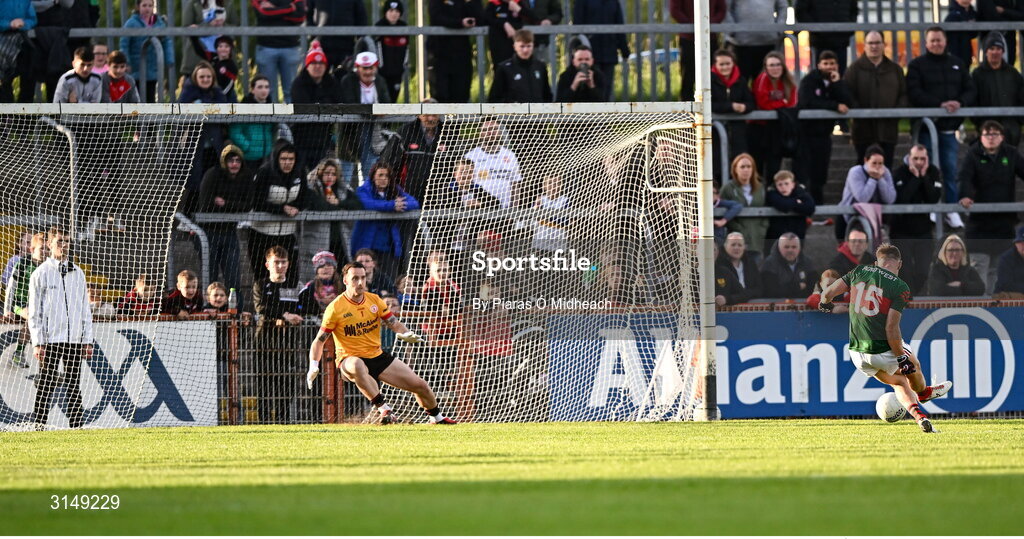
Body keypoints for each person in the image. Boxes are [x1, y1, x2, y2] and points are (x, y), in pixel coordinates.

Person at [819, 243, 953, 433]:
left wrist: (825, 305)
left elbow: (828, 293)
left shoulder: (860, 271)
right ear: (899, 264)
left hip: (857, 353)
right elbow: (891, 328)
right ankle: (923, 393)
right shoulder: (900, 287)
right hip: (880, 349)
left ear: (876, 262)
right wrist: (901, 358)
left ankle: (920, 418)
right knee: (913, 363)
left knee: (899, 381)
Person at [306, 261, 458, 424]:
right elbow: (319, 341)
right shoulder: (335, 308)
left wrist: (406, 333)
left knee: (420, 386)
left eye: (363, 278)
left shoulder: (374, 300)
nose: (360, 283)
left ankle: (437, 419)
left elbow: (393, 323)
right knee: (357, 365)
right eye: (355, 278)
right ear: (345, 281)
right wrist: (313, 366)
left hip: (376, 356)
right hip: (348, 360)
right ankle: (384, 408)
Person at [28, 228, 93, 430]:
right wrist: (38, 341)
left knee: (74, 386)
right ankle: (39, 425)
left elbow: (85, 309)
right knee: (45, 385)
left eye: (66, 241)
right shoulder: (41, 273)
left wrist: (87, 339)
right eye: (59, 241)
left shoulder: (78, 272)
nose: (63, 245)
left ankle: (77, 427)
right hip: (50, 340)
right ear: (49, 244)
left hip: (74, 339)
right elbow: (34, 311)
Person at [907, 26, 977, 205]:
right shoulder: (916, 65)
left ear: (945, 41)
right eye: (932, 40)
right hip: (925, 128)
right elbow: (914, 93)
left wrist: (960, 102)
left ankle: (952, 208)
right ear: (926, 43)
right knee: (925, 169)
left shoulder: (958, 63)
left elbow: (970, 89)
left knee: (950, 170)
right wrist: (939, 104)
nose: (936, 43)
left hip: (949, 128)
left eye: (939, 40)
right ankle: (929, 208)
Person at [957, 120, 1024, 260]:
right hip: (979, 223)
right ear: (981, 137)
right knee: (978, 268)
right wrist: (965, 195)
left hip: (1004, 222)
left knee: (1000, 270)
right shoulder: (972, 154)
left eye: (995, 134)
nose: (991, 138)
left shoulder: (1011, 154)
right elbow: (965, 178)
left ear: (1002, 137)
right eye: (987, 134)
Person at [252, 245, 303, 422]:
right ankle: (263, 423)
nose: (280, 266)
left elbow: (304, 306)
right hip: (264, 343)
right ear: (267, 264)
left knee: (286, 386)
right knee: (264, 386)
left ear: (288, 264)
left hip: (288, 344)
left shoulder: (296, 285)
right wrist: (284, 315)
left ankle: (284, 421)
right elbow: (261, 308)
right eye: (276, 262)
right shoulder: (260, 284)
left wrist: (293, 316)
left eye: (283, 262)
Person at [843, 31, 906, 168]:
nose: (874, 46)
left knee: (886, 168)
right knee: (863, 169)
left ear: (884, 45)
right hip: (863, 131)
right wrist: (859, 114)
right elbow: (847, 94)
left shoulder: (895, 70)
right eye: (870, 43)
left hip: (888, 130)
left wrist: (896, 113)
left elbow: (904, 94)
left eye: (877, 43)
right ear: (864, 46)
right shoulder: (854, 70)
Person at [797, 50, 852, 204]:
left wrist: (837, 84)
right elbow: (808, 102)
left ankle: (819, 204)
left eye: (832, 63)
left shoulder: (837, 81)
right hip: (806, 134)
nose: (829, 67)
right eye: (826, 64)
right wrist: (834, 105)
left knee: (821, 172)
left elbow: (847, 101)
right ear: (819, 65)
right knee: (807, 172)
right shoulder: (809, 81)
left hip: (824, 135)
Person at [250, 140, 307, 287]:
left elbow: (305, 197)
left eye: (291, 159)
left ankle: (290, 307)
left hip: (288, 234)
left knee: (291, 276)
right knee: (263, 277)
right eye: (283, 159)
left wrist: (297, 208)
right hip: (262, 234)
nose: (287, 163)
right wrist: (282, 209)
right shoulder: (265, 172)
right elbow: (256, 202)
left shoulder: (300, 172)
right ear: (276, 158)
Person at [199, 144, 253, 295]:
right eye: (231, 161)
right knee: (210, 277)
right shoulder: (212, 174)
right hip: (208, 232)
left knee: (234, 279)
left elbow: (248, 205)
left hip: (230, 231)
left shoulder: (246, 176)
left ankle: (236, 312)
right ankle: (208, 310)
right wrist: (235, 207)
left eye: (237, 160)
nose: (234, 164)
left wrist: (225, 203)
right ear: (224, 162)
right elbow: (206, 205)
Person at [352, 162, 420, 277]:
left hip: (388, 247)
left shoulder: (395, 189)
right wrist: (391, 206)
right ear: (373, 176)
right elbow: (368, 204)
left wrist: (400, 205)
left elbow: (414, 202)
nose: (384, 179)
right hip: (367, 246)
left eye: (387, 176)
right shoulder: (363, 190)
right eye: (380, 175)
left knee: (389, 279)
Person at [891, 144, 942, 295]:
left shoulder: (932, 171)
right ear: (909, 158)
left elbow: (933, 198)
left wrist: (924, 177)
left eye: (922, 158)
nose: (919, 162)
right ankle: (907, 300)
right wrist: (914, 177)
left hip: (923, 230)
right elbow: (902, 199)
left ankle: (911, 297)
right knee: (905, 271)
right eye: (915, 158)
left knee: (923, 271)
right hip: (901, 230)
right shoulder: (900, 172)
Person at [301, 157, 361, 275]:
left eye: (333, 174)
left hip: (340, 242)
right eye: (327, 173)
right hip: (318, 241)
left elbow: (357, 204)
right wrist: (337, 207)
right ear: (320, 173)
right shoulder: (312, 188)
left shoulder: (342, 188)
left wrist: (339, 203)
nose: (330, 177)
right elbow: (320, 206)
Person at [339, 51, 393, 182]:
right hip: (350, 132)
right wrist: (373, 111)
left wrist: (379, 111)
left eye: (371, 68)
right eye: (365, 68)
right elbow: (349, 104)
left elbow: (387, 102)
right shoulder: (348, 81)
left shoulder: (380, 81)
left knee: (369, 172)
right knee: (345, 173)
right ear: (357, 68)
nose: (368, 72)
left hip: (374, 131)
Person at [290, 42, 343, 172]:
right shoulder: (298, 83)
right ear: (307, 66)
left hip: (323, 140)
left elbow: (338, 103)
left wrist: (319, 105)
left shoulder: (331, 82)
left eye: (321, 64)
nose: (317, 67)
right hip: (301, 140)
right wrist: (324, 103)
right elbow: (305, 107)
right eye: (313, 63)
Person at [750, 51, 797, 181]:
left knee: (774, 167)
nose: (775, 68)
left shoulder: (788, 81)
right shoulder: (762, 79)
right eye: (771, 65)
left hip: (778, 129)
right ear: (766, 67)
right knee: (757, 166)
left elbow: (791, 103)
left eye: (778, 65)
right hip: (759, 129)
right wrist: (782, 103)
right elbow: (763, 103)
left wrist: (777, 104)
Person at [971, 33, 1024, 147]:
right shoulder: (977, 74)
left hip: (1011, 130)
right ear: (986, 51)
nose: (995, 52)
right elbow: (973, 99)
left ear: (1003, 51)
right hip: (987, 128)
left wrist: (1018, 121)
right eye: (991, 48)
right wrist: (980, 123)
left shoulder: (1013, 73)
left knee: (1010, 162)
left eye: (998, 49)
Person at [709, 49, 755, 182]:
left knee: (738, 161)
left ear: (733, 63)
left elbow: (751, 102)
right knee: (715, 163)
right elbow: (707, 104)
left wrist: (744, 107)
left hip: (737, 130)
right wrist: (731, 107)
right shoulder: (708, 81)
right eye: (721, 64)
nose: (725, 67)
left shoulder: (741, 80)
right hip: (714, 130)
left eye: (728, 64)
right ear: (715, 65)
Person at [3, 231, 46, 368]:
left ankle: (47, 363)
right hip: (20, 304)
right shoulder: (22, 264)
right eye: (42, 248)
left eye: (47, 248)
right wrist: (7, 310)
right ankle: (18, 353)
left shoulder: (48, 266)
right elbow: (11, 287)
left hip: (41, 305)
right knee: (33, 315)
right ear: (32, 249)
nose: (45, 252)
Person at [837, 144, 896, 240]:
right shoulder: (855, 172)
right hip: (849, 220)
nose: (877, 167)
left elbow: (890, 198)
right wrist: (873, 179)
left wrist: (880, 179)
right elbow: (862, 197)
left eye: (880, 163)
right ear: (866, 161)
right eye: (874, 163)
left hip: (875, 221)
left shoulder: (885, 172)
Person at [669, 0, 724, 100]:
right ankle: (686, 109)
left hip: (710, 37)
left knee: (713, 74)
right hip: (688, 38)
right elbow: (675, 10)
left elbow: (721, 10)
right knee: (688, 74)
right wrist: (695, 25)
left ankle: (714, 106)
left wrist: (708, 24)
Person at [253, 0, 306, 103]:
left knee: (291, 91)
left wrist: (275, 10)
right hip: (266, 47)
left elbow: (300, 17)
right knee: (267, 92)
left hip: (290, 47)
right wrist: (290, 8)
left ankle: (291, 119)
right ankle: (272, 119)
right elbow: (264, 13)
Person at [426, 0, 480, 103]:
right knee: (440, 95)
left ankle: (459, 119)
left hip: (461, 54)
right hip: (439, 53)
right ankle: (441, 119)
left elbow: (480, 19)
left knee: (461, 94)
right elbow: (436, 17)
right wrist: (460, 23)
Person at [120, 0, 174, 102]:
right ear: (138, 7)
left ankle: (149, 117)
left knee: (150, 96)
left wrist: (169, 59)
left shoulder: (159, 23)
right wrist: (126, 62)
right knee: (135, 97)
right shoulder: (131, 23)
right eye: (144, 5)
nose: (147, 8)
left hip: (152, 68)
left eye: (150, 6)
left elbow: (167, 41)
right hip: (136, 68)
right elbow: (124, 43)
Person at [724, 0, 787, 84]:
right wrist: (732, 30)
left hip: (768, 42)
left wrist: (779, 29)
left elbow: (782, 7)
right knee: (739, 83)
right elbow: (725, 8)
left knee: (766, 83)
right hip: (741, 44)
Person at [464, 118, 523, 208]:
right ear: (480, 133)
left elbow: (515, 184)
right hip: (480, 210)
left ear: (500, 131)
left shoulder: (510, 155)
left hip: (506, 210)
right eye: (485, 130)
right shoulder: (471, 156)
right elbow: (464, 184)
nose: (490, 133)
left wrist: (514, 209)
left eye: (494, 129)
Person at [720, 153, 768, 258]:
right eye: (742, 167)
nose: (746, 170)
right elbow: (721, 210)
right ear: (735, 169)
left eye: (749, 167)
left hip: (757, 240)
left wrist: (762, 229)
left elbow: (765, 209)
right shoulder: (728, 188)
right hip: (736, 241)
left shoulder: (760, 188)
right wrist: (737, 228)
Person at [179, 0, 238, 85]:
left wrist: (222, 26)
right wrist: (208, 25)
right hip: (197, 59)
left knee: (224, 95)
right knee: (193, 95)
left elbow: (237, 28)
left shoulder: (228, 3)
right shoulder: (194, 3)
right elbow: (186, 30)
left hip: (224, 61)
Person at [488, 29, 552, 103]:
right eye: (522, 46)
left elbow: (547, 95)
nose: (525, 50)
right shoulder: (504, 68)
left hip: (537, 113)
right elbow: (494, 98)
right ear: (515, 46)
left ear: (533, 46)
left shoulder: (540, 67)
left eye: (528, 46)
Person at [794, 0, 857, 74]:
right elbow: (800, 11)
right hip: (820, 42)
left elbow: (854, 10)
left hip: (841, 41)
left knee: (840, 76)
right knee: (819, 77)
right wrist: (816, 29)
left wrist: (848, 29)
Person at [229, 75, 277, 171]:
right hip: (248, 157)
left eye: (266, 87)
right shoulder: (243, 107)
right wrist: (247, 147)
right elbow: (235, 131)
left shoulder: (272, 108)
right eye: (260, 87)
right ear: (252, 89)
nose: (264, 90)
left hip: (266, 155)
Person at [307, 0, 366, 72]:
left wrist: (360, 43)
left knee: (344, 78)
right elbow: (307, 15)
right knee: (319, 79)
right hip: (321, 47)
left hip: (346, 47)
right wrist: (314, 37)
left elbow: (361, 18)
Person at [765, 170, 815, 248]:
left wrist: (790, 204)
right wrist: (796, 202)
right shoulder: (772, 193)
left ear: (793, 184)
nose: (783, 187)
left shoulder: (800, 192)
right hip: (776, 236)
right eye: (780, 184)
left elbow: (810, 207)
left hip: (797, 235)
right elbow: (782, 205)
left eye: (786, 184)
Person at [760, 232, 817, 298]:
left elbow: (816, 287)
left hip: (803, 304)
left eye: (794, 247)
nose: (790, 250)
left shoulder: (807, 262)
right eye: (786, 247)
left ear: (799, 248)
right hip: (777, 305)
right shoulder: (769, 264)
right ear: (779, 248)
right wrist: (797, 287)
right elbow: (771, 291)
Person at [0, 0, 35, 103]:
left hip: (22, 41)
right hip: (2, 41)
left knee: (29, 75)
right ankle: (6, 114)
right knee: (4, 80)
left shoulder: (26, 1)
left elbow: (32, 19)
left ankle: (25, 115)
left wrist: (23, 23)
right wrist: (9, 24)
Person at [714, 231, 762, 305]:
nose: (736, 248)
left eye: (739, 245)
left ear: (744, 247)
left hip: (749, 304)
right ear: (725, 246)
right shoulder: (720, 265)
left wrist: (745, 295)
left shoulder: (750, 263)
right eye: (733, 245)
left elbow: (759, 289)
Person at [187, 35, 239, 101]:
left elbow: (229, 86)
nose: (223, 49)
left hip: (226, 97)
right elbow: (200, 51)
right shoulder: (213, 58)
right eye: (220, 46)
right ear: (216, 49)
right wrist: (194, 38)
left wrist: (220, 97)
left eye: (226, 46)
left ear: (230, 49)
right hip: (212, 94)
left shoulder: (232, 66)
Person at [375, 0, 408, 101]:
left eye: (397, 11)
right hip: (381, 73)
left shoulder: (404, 27)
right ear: (385, 12)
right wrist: (379, 68)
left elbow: (407, 49)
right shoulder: (379, 26)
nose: (394, 14)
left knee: (394, 99)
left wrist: (403, 66)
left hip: (397, 72)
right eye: (391, 10)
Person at [296, 250, 343, 316]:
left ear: (334, 268)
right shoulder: (309, 288)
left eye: (329, 265)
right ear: (316, 270)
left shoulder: (344, 286)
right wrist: (320, 305)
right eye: (321, 266)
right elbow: (298, 306)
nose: (325, 268)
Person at [483, 0, 525, 68]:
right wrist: (504, 24)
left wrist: (519, 10)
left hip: (516, 43)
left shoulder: (518, 3)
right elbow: (486, 19)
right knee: (500, 68)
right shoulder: (493, 3)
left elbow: (531, 18)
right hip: (498, 45)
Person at [945, 0, 979, 68]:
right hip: (954, 52)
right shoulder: (952, 14)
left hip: (966, 51)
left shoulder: (973, 13)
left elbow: (975, 33)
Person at [993, 226, 1024, 295]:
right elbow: (1006, 284)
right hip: (1008, 299)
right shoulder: (1006, 258)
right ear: (1016, 243)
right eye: (1021, 243)